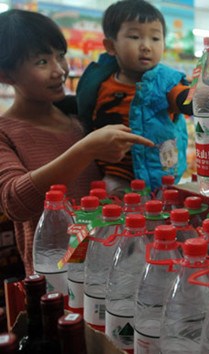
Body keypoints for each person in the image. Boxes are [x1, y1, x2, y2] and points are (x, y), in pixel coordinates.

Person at [0, 9, 154, 275]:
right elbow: (15, 202)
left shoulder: (81, 117)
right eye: (41, 62)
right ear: (6, 75)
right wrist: (87, 148)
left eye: (60, 56)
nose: (59, 70)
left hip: (108, 262)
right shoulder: (5, 132)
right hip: (53, 273)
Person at [77, 0, 193, 197]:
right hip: (115, 176)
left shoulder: (165, 82)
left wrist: (198, 99)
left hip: (160, 179)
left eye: (155, 38)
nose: (146, 46)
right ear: (111, 46)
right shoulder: (101, 83)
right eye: (134, 36)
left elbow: (182, 98)